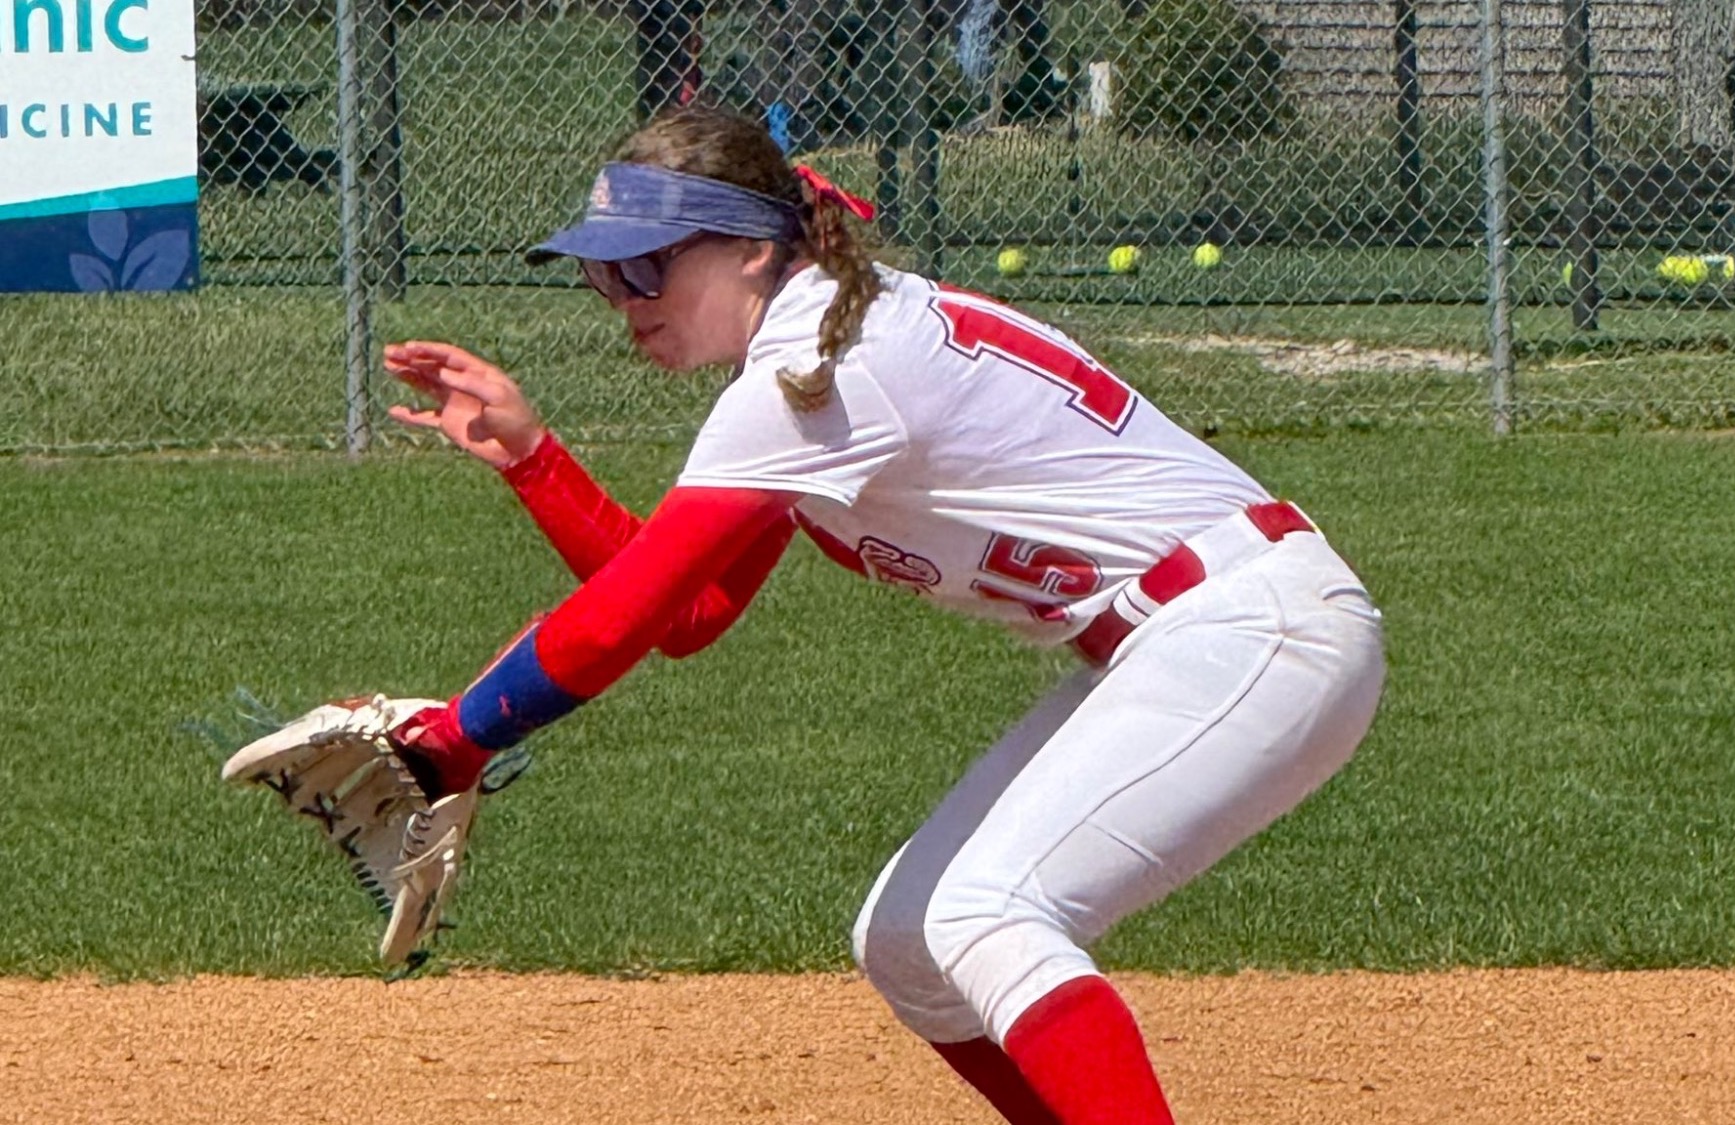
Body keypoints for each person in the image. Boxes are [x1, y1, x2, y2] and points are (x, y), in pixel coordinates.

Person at [380, 103, 1385, 1125]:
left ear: (749, 251)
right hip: (1196, 634)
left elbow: (613, 628)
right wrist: (533, 459)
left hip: (1249, 625)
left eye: (647, 265)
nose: (622, 296)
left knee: (990, 912)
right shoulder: (814, 346)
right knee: (908, 940)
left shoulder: (813, 368)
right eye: (604, 273)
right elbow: (687, 612)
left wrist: (451, 742)